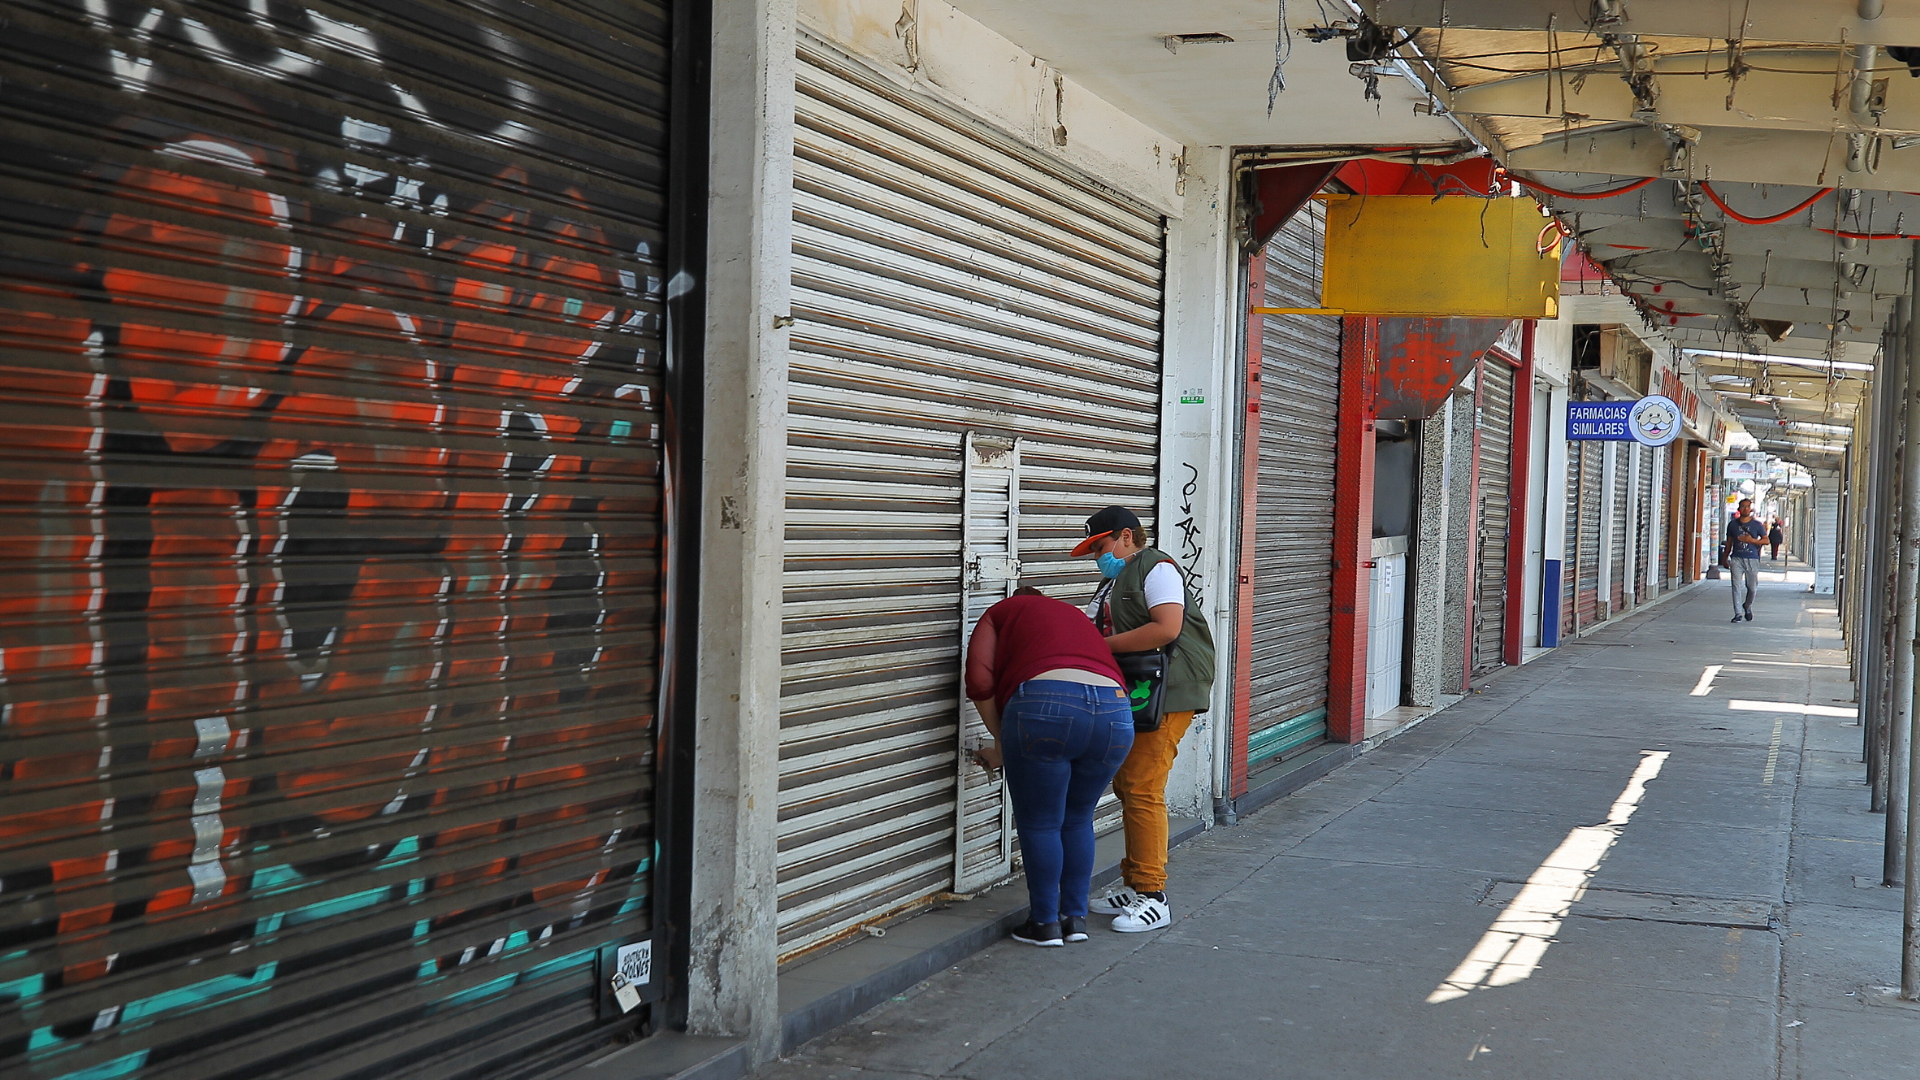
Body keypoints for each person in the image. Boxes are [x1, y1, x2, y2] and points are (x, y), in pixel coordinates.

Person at [1072, 506, 1216, 933]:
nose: (1098, 555)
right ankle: (1135, 884)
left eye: (1100, 546)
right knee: (1130, 783)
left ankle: (1153, 896)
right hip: (1140, 690)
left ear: (1126, 537)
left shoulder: (1158, 569)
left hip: (1171, 688)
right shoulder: (1115, 579)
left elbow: (1167, 628)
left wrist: (1103, 648)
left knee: (1142, 785)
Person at [965, 587, 1133, 948]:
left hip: (1046, 707)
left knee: (1041, 822)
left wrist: (1005, 742)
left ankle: (1043, 923)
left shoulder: (1001, 612)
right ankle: (1075, 920)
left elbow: (979, 681)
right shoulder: (1074, 616)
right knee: (1077, 818)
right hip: (1116, 713)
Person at [1726, 499, 1767, 623]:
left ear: (1751, 509)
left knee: (1752, 587)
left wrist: (1752, 541)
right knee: (1736, 586)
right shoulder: (1732, 524)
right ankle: (1737, 613)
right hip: (1736, 558)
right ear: (1739, 508)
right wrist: (1725, 558)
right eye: (1743, 506)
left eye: (1747, 507)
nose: (1745, 509)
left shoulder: (1757, 525)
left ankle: (1747, 606)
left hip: (1752, 558)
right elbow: (1729, 543)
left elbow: (1766, 540)